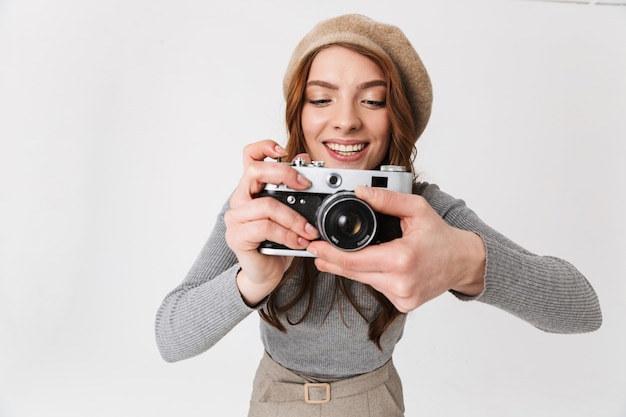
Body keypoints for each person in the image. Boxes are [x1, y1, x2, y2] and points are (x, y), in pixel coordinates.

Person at [155, 14, 602, 417]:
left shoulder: (420, 211)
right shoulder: (266, 203)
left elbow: (582, 309)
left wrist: (466, 261)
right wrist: (252, 281)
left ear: (398, 118)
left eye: (372, 101)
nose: (346, 121)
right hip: (274, 397)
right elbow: (171, 337)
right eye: (320, 99)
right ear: (299, 113)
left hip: (373, 402)